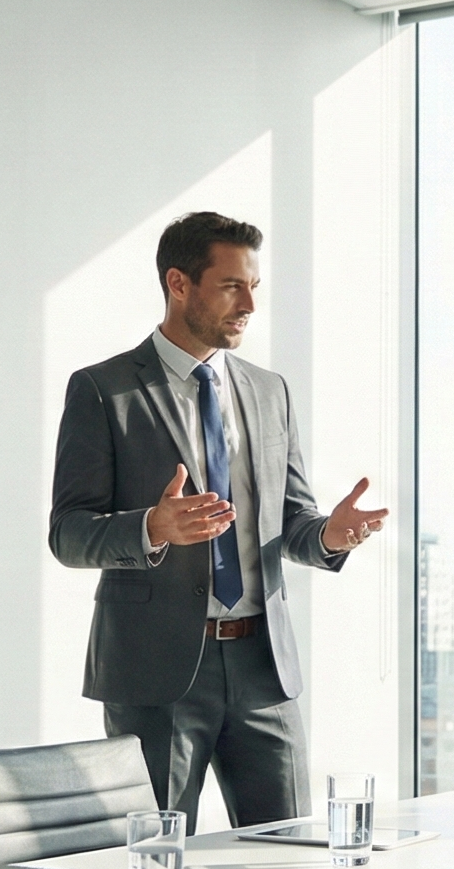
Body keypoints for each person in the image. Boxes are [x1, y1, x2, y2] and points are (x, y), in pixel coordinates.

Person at [48, 211, 387, 828]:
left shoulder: (269, 389)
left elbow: (293, 521)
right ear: (179, 284)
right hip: (157, 674)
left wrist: (330, 537)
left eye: (254, 285)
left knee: (284, 863)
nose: (250, 303)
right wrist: (152, 528)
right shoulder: (103, 390)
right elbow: (68, 534)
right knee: (157, 866)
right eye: (233, 285)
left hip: (264, 668)